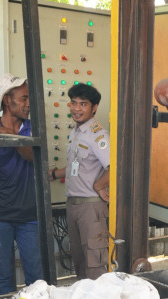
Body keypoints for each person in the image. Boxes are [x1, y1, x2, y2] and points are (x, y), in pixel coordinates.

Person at [0, 73, 43, 294]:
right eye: (24, 98)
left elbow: (34, 156)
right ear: (7, 100)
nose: (28, 103)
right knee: (3, 280)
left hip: (30, 216)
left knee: (36, 279)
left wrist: (9, 136)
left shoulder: (32, 129)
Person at [49, 84, 110, 280]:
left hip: (90, 207)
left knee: (95, 264)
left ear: (94, 108)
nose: (76, 109)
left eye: (83, 104)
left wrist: (99, 186)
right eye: (73, 103)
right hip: (73, 205)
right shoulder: (76, 132)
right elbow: (79, 166)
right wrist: (54, 174)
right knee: (80, 263)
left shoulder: (98, 135)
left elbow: (116, 168)